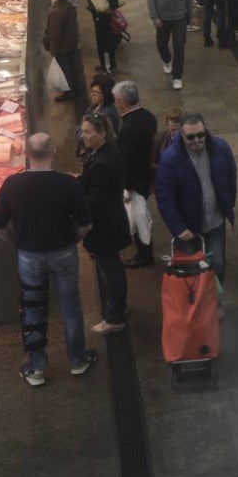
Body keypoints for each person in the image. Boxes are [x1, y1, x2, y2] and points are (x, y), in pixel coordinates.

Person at [0, 133, 98, 387]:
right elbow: (86, 224)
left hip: (29, 256)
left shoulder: (11, 185)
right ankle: (78, 360)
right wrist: (73, 240)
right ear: (53, 152)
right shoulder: (67, 184)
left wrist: (17, 243)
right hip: (63, 252)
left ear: (27, 154)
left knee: (33, 309)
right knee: (70, 306)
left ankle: (37, 368)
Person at [154, 111, 237, 284]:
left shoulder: (220, 147)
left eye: (201, 135)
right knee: (190, 270)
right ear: (181, 135)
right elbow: (165, 197)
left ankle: (214, 301)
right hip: (188, 228)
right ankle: (195, 305)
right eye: (191, 137)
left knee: (218, 264)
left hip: (215, 221)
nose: (197, 140)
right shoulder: (170, 159)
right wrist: (178, 227)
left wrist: (228, 202)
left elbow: (231, 175)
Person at [77, 114, 131, 334]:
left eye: (88, 131)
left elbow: (95, 201)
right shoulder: (108, 152)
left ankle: (114, 318)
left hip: (104, 228)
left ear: (102, 133)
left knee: (110, 272)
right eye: (83, 130)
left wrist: (76, 201)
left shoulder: (102, 163)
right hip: (114, 222)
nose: (83, 136)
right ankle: (119, 308)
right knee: (114, 269)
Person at [113, 81, 160, 269]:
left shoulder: (128, 128)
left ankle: (144, 254)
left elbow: (129, 163)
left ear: (123, 102)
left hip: (136, 182)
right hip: (146, 175)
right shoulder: (148, 117)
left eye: (117, 100)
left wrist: (126, 188)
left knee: (138, 218)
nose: (116, 103)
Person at [147, 0, 194, 91]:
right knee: (161, 43)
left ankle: (177, 76)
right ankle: (167, 59)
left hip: (180, 17)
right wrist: (154, 16)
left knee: (179, 46)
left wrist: (190, 15)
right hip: (162, 18)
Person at [44, 0, 83, 103]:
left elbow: (55, 33)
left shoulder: (55, 11)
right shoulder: (70, 6)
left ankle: (69, 92)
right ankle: (77, 90)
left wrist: (53, 49)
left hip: (62, 47)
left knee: (65, 70)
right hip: (72, 43)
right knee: (73, 68)